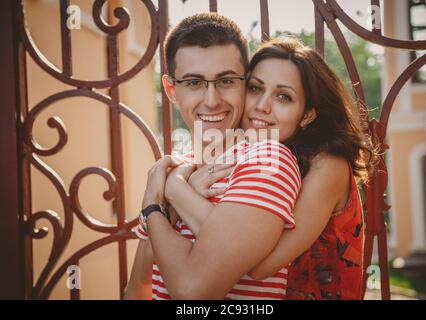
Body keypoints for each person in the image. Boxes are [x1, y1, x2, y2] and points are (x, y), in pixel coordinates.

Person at [158, 38, 375, 300]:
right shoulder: (250, 158)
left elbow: (260, 263)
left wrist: (177, 190)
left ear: (307, 114)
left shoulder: (328, 164)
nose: (262, 106)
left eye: (283, 97)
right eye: (255, 88)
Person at [124, 13, 302, 300]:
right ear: (171, 89)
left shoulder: (267, 158)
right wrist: (173, 193)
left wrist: (157, 203)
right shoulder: (175, 169)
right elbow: (138, 289)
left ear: (245, 83)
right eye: (194, 83)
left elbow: (195, 296)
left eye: (226, 81)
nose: (211, 100)